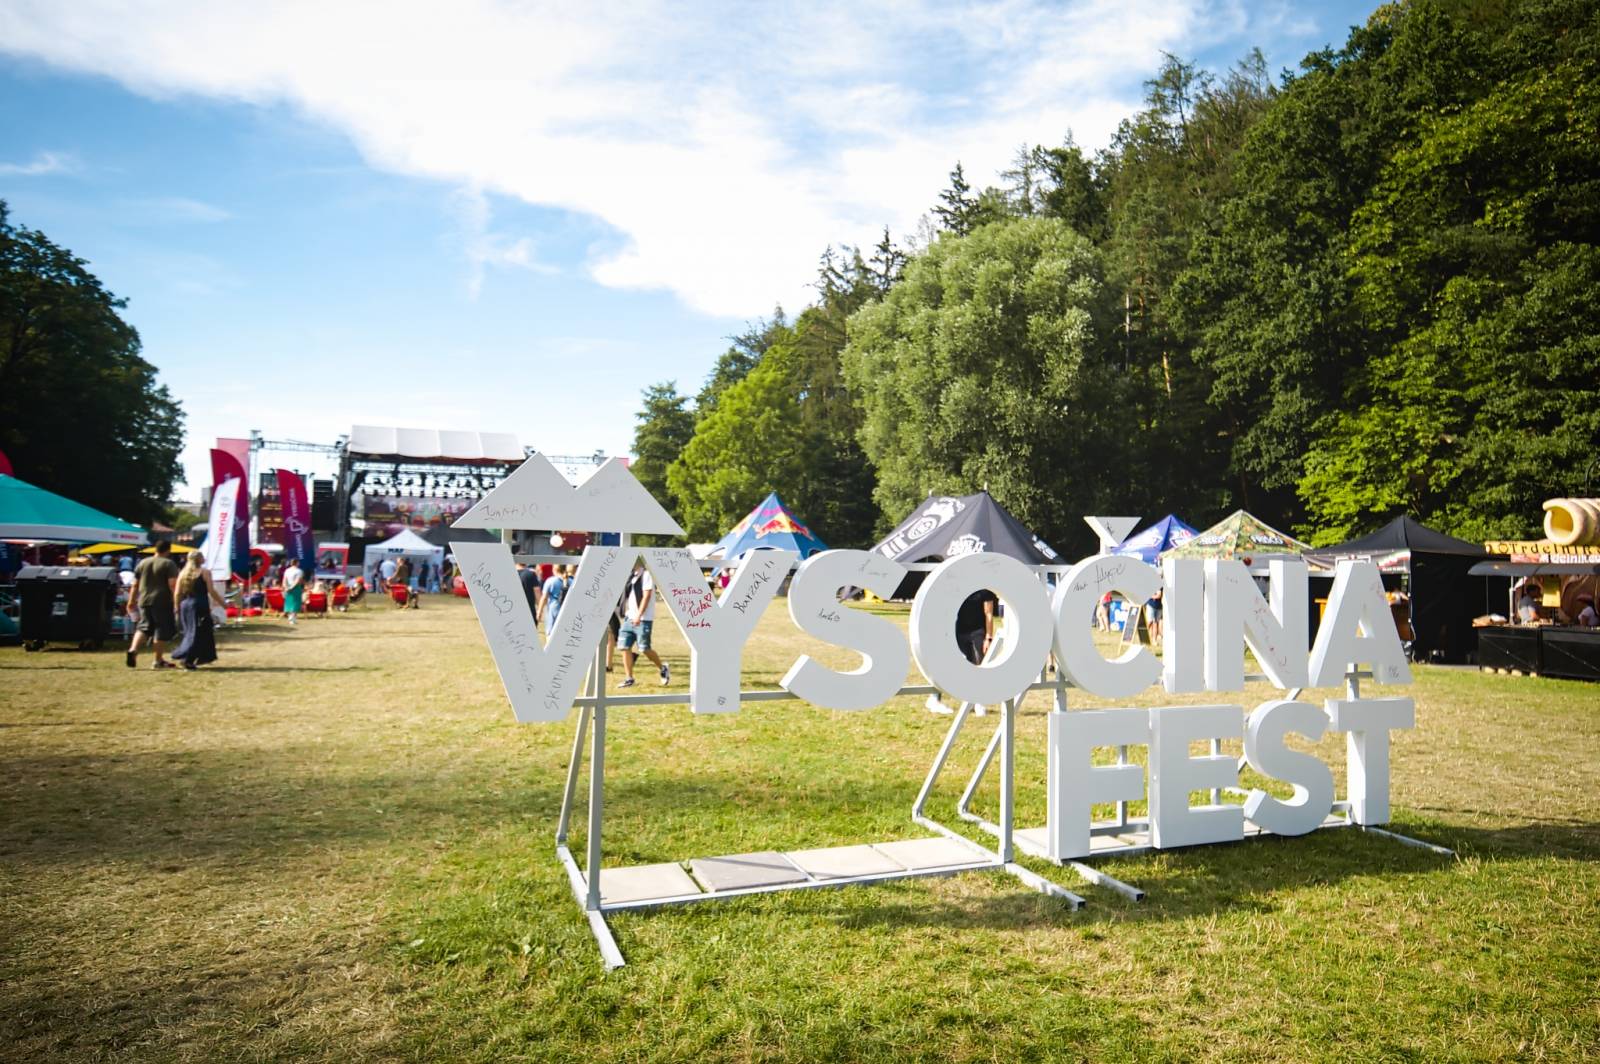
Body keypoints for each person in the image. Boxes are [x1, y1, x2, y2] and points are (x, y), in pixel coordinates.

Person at [127, 540, 180, 669]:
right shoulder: (169, 564)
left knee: (144, 627)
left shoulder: (142, 563)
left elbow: (135, 584)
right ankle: (157, 660)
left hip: (144, 600)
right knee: (160, 630)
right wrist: (176, 601)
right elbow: (172, 584)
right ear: (168, 550)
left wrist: (131, 601)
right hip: (162, 601)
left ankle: (133, 649)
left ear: (155, 549)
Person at [617, 559, 669, 688]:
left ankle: (663, 668)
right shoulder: (631, 576)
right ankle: (629, 678)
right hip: (630, 618)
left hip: (643, 618)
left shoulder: (647, 575)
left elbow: (646, 596)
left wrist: (639, 616)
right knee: (624, 646)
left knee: (644, 648)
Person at [171, 550, 226, 670]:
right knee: (200, 633)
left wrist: (176, 607)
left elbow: (177, 593)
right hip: (199, 605)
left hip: (186, 605)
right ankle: (187, 658)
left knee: (190, 632)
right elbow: (211, 591)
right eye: (202, 557)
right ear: (199, 559)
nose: (204, 558)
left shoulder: (183, 573)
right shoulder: (205, 572)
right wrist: (223, 604)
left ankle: (190, 658)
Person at [955, 586, 998, 665]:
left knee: (980, 664)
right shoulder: (959, 587)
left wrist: (988, 638)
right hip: (960, 632)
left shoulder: (984, 590)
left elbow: (989, 614)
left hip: (978, 633)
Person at [542, 564, 572, 633]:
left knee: (551, 629)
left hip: (554, 606)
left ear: (555, 569)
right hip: (567, 607)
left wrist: (539, 611)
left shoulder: (550, 581)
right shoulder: (571, 581)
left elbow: (544, 597)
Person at [516, 561, 543, 628]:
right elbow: (537, 591)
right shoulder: (531, 574)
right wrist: (540, 608)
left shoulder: (509, 574)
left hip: (513, 609)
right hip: (529, 609)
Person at [283, 555, 306, 626]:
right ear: (297, 563)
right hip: (295, 588)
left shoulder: (287, 570)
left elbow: (284, 580)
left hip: (288, 587)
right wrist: (291, 588)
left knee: (289, 603)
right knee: (295, 604)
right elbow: (297, 581)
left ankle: (293, 619)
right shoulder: (299, 571)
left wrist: (286, 587)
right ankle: (292, 618)